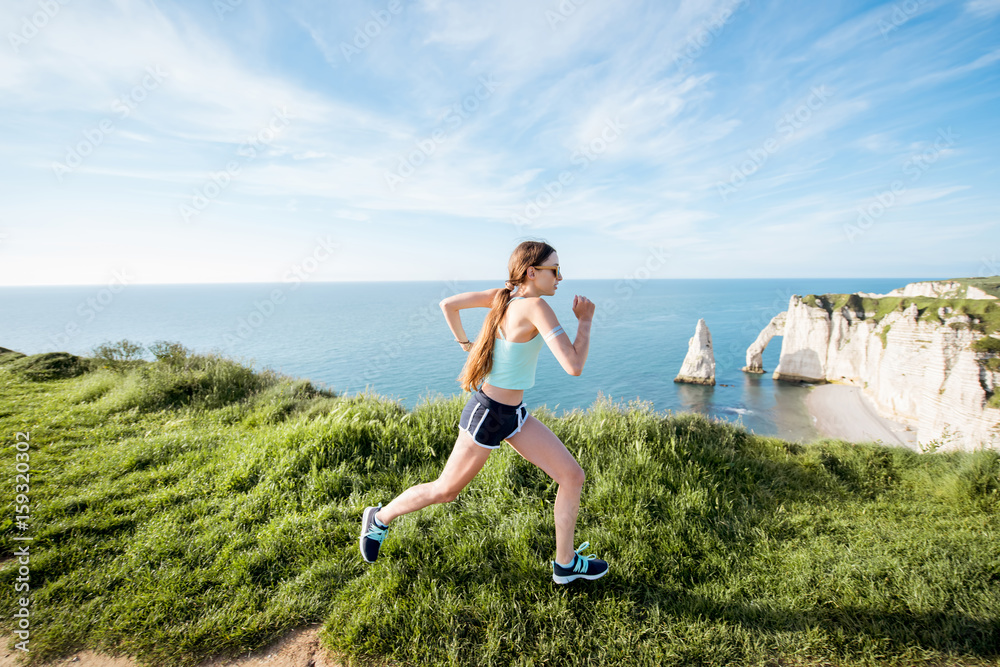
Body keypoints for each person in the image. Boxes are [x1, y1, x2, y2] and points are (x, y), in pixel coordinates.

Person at [359, 240, 608, 584]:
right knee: (446, 491)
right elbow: (574, 366)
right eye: (555, 270)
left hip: (514, 415)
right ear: (532, 272)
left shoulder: (501, 297)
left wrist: (466, 345)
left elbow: (449, 305)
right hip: (488, 414)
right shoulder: (536, 306)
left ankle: (565, 564)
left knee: (571, 476)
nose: (561, 277)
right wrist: (585, 321)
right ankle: (379, 518)